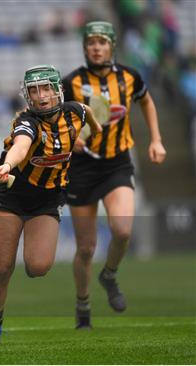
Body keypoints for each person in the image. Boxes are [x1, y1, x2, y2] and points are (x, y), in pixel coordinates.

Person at [0, 65, 102, 344]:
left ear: (57, 90)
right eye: (34, 91)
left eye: (46, 88)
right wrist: (8, 164)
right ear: (28, 96)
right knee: (2, 269)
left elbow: (91, 114)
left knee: (38, 267)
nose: (41, 96)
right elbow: (21, 146)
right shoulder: (27, 122)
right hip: (11, 195)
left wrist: (90, 135)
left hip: (48, 197)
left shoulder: (75, 112)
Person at [62, 21, 167, 329]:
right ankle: (83, 306)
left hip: (116, 163)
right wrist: (72, 136)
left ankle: (108, 275)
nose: (96, 47)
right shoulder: (71, 83)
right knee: (85, 247)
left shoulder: (129, 76)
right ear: (85, 47)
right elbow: (58, 119)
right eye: (91, 42)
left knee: (122, 231)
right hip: (82, 168)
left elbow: (147, 101)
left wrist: (156, 139)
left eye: (102, 42)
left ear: (111, 46)